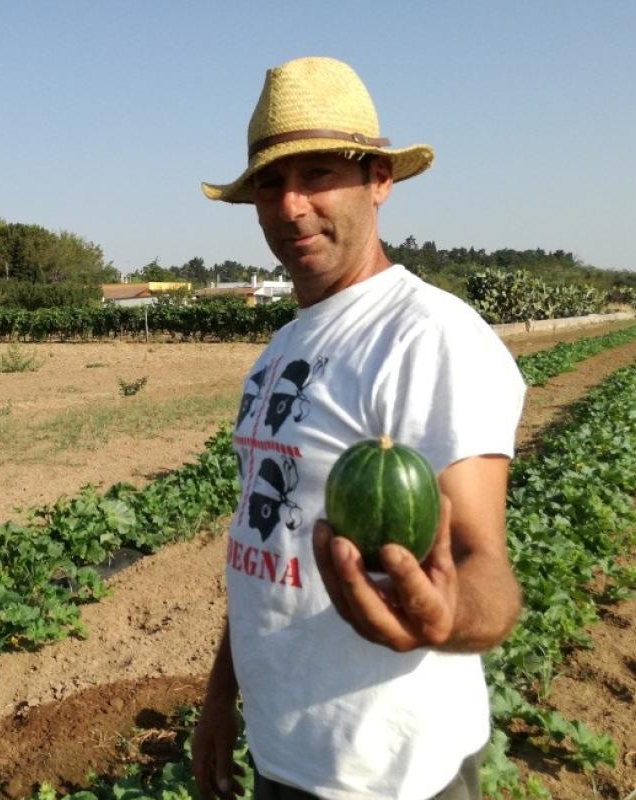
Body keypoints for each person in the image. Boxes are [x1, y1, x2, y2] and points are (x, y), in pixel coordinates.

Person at [191, 56, 527, 800]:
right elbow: (265, 536)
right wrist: (222, 693)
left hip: (388, 775)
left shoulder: (428, 337)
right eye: (270, 184)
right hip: (286, 752)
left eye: (318, 175)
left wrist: (447, 617)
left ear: (380, 180)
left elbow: (487, 571)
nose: (291, 206)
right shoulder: (280, 350)